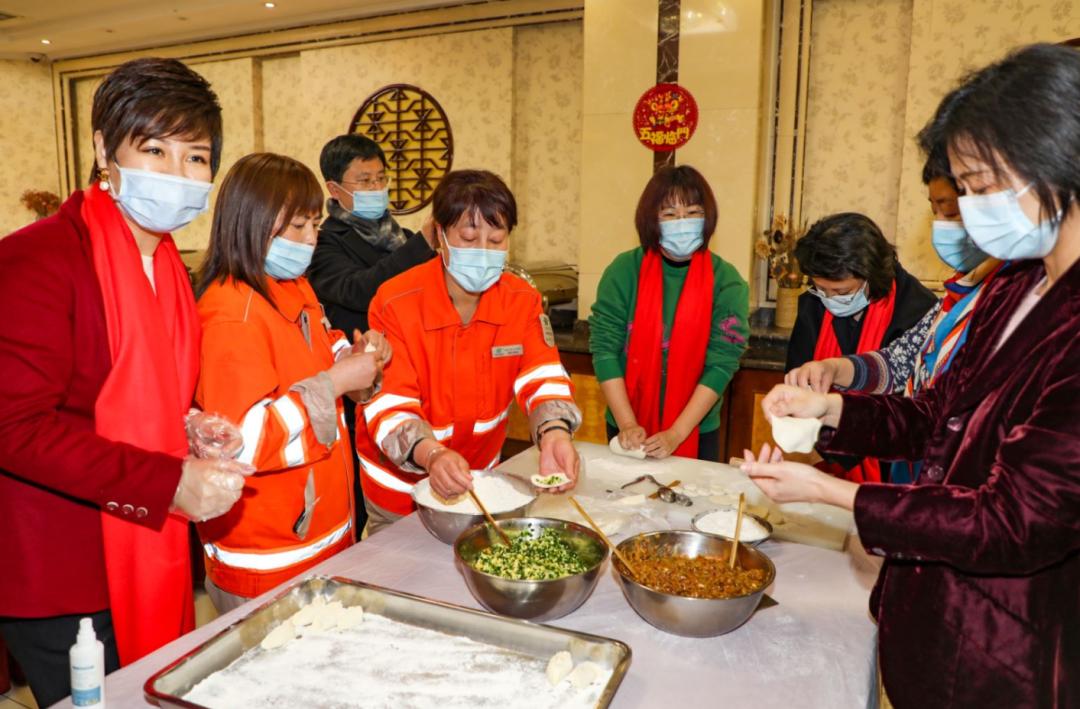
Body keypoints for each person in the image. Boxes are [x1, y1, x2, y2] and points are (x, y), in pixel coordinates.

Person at [743, 43, 1080, 707]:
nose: (972, 208)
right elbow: (934, 412)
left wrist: (831, 494)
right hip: (928, 621)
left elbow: (1015, 519)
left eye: (983, 187)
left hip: (1006, 651)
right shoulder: (1015, 285)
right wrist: (834, 411)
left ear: (1057, 162)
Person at [0, 58, 253, 706]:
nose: (178, 174)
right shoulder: (39, 260)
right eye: (155, 150)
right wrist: (168, 482)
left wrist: (189, 424)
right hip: (64, 575)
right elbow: (14, 426)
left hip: (144, 551)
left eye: (195, 157)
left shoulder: (167, 264)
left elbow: (135, 391)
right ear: (103, 151)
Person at [194, 153, 385, 611]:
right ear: (250, 224)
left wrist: (354, 357)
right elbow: (242, 443)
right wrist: (336, 383)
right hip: (269, 555)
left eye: (315, 225)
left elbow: (320, 345)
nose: (310, 240)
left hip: (319, 535)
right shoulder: (231, 313)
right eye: (296, 227)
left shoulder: (291, 284)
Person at [355, 170, 581, 532]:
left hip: (478, 483)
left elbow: (543, 375)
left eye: (496, 239)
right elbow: (390, 403)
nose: (483, 252)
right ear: (439, 235)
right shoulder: (396, 301)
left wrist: (554, 432)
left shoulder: (521, 300)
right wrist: (432, 453)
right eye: (469, 237)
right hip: (400, 491)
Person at [785, 156, 1001, 484]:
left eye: (951, 212)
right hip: (909, 465)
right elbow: (897, 363)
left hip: (941, 473)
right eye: (935, 211)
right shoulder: (951, 301)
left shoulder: (999, 303)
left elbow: (929, 416)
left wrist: (827, 485)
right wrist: (833, 368)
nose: (939, 224)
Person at [307, 134, 437, 534]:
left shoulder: (397, 235)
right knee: (370, 489)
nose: (377, 188)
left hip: (410, 376)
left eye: (381, 178)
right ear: (334, 188)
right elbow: (359, 288)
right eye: (364, 180)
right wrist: (422, 247)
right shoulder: (324, 241)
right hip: (359, 384)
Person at [589, 165, 749, 461]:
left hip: (696, 430)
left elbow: (721, 365)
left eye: (692, 212)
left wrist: (677, 432)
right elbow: (605, 350)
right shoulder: (624, 271)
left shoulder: (727, 281)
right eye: (670, 214)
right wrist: (627, 423)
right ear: (652, 220)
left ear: (707, 218)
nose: (682, 222)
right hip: (627, 426)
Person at [784, 212, 936, 482]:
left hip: (886, 466)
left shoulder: (917, 310)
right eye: (821, 289)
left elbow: (899, 406)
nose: (829, 299)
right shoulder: (814, 301)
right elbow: (798, 373)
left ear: (871, 278)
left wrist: (827, 453)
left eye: (842, 293)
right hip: (817, 448)